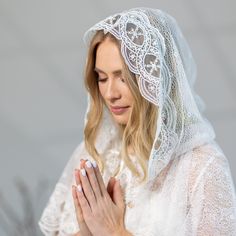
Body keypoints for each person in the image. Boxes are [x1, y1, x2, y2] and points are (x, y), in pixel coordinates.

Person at [38, 7, 236, 236]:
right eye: (102, 78)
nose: (110, 92)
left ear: (156, 77)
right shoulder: (93, 153)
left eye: (123, 78)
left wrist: (114, 232)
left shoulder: (201, 167)